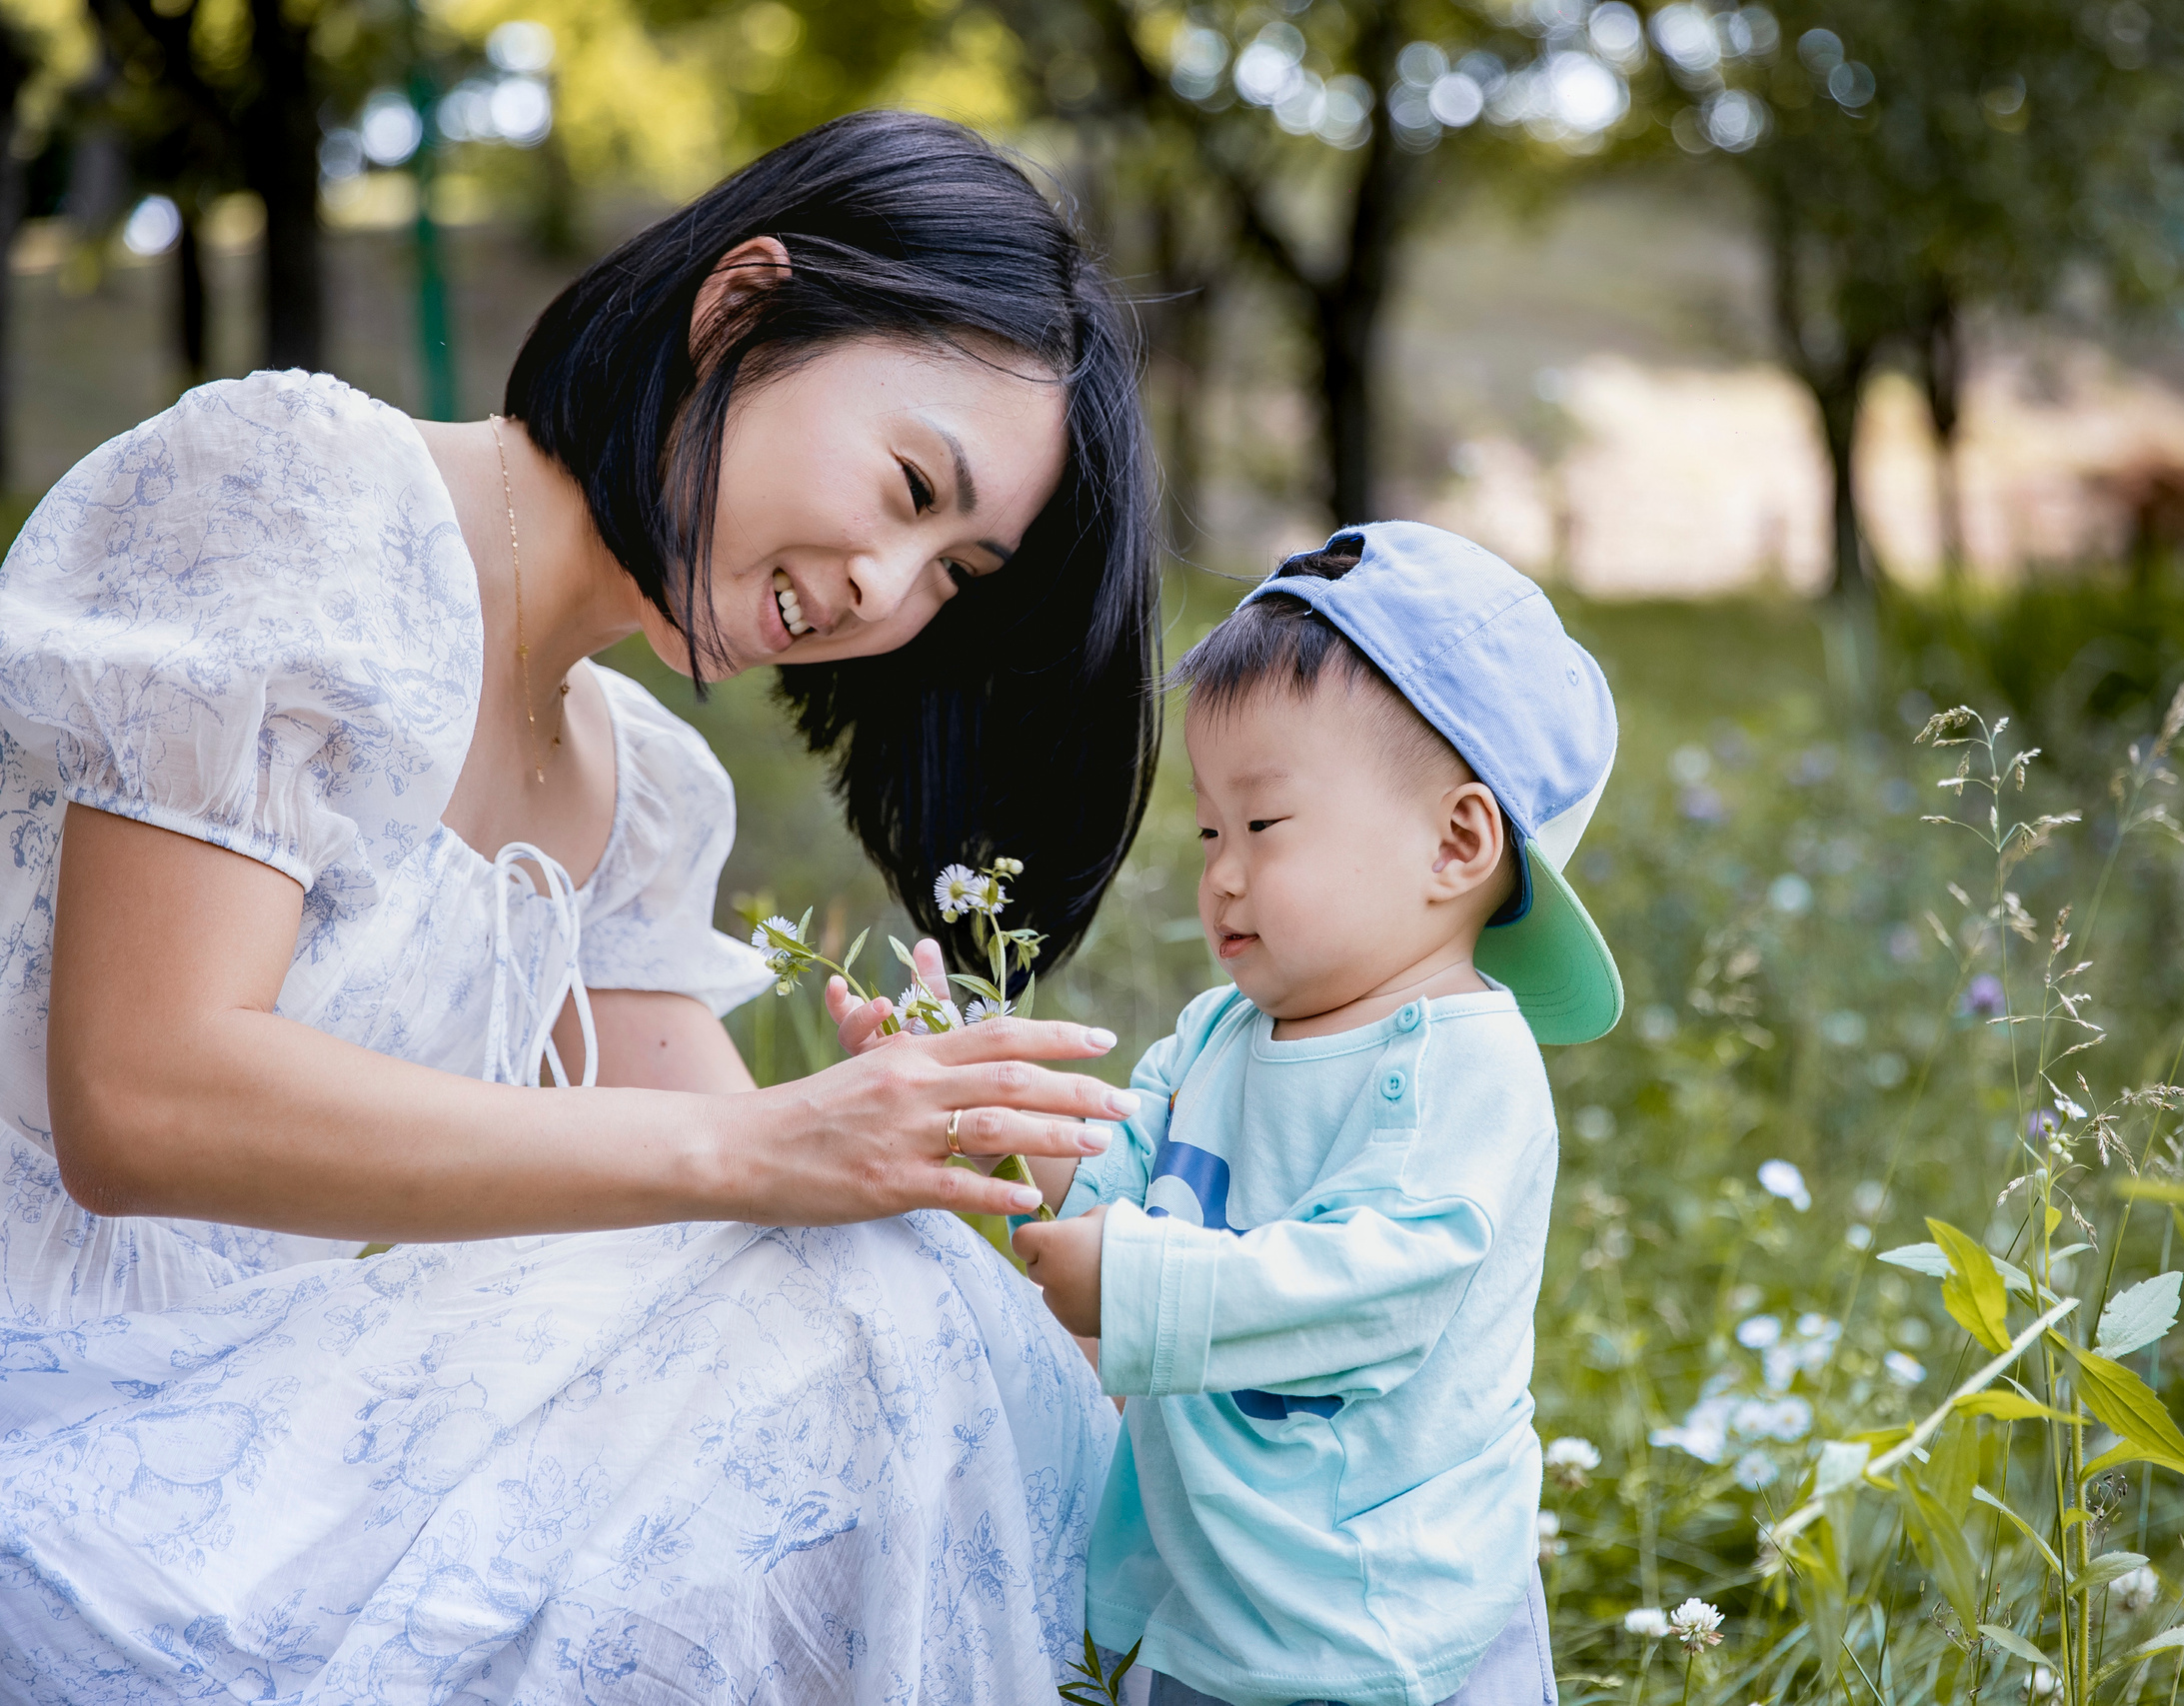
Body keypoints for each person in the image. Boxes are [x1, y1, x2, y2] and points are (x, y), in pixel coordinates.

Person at [0, 112, 1154, 1698]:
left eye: (956, 569)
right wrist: (773, 1141)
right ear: (742, 305)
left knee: (891, 1286)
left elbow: (749, 1227)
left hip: (280, 1428)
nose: (889, 594)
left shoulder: (648, 791)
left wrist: (914, 1158)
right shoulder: (299, 492)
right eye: (907, 485)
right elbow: (136, 1096)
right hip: (63, 1427)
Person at [1011, 523, 1624, 1706]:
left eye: (1265, 826)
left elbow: (1371, 1291)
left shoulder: (1470, 1068)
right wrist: (998, 1109)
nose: (1222, 873)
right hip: (1215, 1592)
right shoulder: (1217, 1032)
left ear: (1454, 843)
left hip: (1380, 1623)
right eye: (1208, 831)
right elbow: (1126, 1175)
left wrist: (1134, 1288)